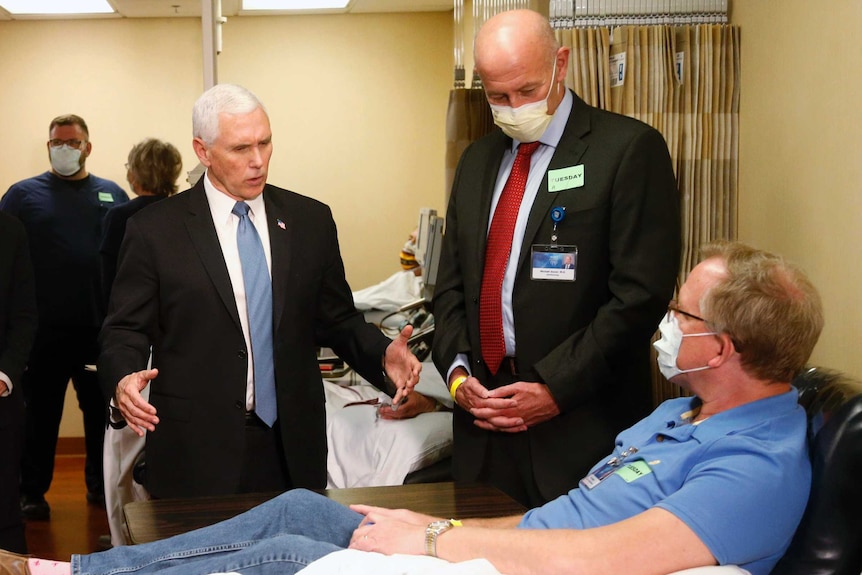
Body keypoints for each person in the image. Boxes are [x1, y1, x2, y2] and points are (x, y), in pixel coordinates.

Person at [0, 241, 823, 575]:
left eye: (681, 316)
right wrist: (424, 529)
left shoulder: (756, 463)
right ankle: (66, 569)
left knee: (286, 552)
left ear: (724, 348)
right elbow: (561, 520)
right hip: (518, 552)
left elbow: (599, 555)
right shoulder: (684, 416)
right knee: (303, 505)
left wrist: (434, 537)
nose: (665, 326)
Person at [98, 83, 421, 500]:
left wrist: (382, 354)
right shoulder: (156, 231)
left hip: (291, 448)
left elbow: (337, 320)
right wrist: (123, 378)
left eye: (265, 143)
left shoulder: (310, 221)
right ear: (203, 151)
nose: (257, 162)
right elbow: (123, 329)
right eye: (239, 149)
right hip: (195, 451)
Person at [431, 9, 682, 507]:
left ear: (560, 64)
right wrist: (458, 374)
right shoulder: (478, 160)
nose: (513, 107)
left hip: (580, 425)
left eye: (527, 91)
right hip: (483, 426)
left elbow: (638, 296)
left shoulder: (627, 150)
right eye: (498, 96)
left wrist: (553, 388)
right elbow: (451, 286)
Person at [0, 114, 129, 520]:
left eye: (71, 143)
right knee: (40, 416)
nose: (63, 149)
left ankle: (98, 488)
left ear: (87, 147)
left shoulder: (112, 195)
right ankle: (32, 492)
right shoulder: (22, 196)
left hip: (97, 329)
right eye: (56, 142)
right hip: (42, 331)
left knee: (100, 416)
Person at [97, 138, 183, 547]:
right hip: (177, 353)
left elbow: (107, 287)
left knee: (122, 459)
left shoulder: (122, 218)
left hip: (135, 353)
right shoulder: (186, 216)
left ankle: (124, 545)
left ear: (134, 172)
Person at [99, 138, 183, 307]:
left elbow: (107, 274)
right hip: (175, 311)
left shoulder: (120, 217)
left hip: (132, 310)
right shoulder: (183, 213)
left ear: (136, 173)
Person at [0, 212, 38, 553]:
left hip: (1, 396)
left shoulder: (11, 230)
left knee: (4, 505)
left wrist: (4, 375)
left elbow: (24, 314)